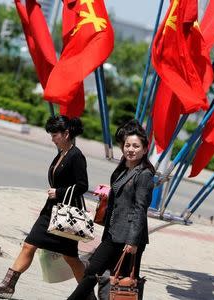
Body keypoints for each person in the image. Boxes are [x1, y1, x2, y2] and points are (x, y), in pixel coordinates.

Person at [0, 115, 88, 299]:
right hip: (50, 212)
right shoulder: (61, 152)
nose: (52, 137)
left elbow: (83, 185)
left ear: (66, 134)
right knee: (28, 245)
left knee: (71, 258)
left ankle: (88, 294)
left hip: (66, 216)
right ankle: (7, 285)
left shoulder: (76, 155)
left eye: (54, 134)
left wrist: (59, 192)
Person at [67, 120, 155, 300]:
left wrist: (132, 242)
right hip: (114, 233)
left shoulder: (144, 174)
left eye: (136, 146)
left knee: (121, 280)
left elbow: (140, 209)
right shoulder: (123, 170)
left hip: (128, 238)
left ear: (145, 150)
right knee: (99, 274)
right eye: (127, 145)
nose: (130, 149)